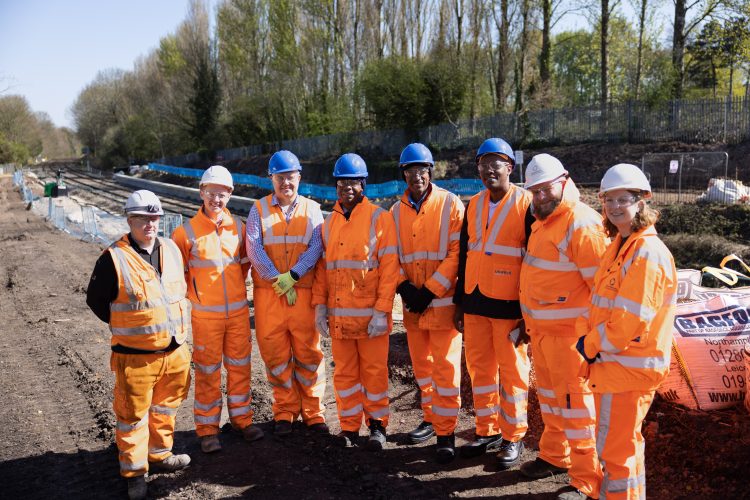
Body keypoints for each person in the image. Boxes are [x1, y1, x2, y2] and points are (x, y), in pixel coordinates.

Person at [576, 164, 677, 499]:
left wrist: (589, 345)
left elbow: (628, 323)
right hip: (617, 366)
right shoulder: (622, 245)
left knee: (618, 452)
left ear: (641, 202)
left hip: (627, 368)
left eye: (623, 199)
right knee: (619, 448)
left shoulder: (646, 252)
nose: (615, 206)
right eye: (609, 200)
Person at [86, 190, 192, 500]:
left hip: (174, 352)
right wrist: (131, 329)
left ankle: (160, 455)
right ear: (129, 219)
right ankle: (134, 473)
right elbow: (96, 302)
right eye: (142, 219)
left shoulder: (171, 248)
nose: (150, 224)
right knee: (132, 418)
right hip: (135, 358)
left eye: (154, 218)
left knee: (165, 409)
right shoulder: (113, 258)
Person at [518, 154, 610, 500]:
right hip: (543, 335)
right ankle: (555, 456)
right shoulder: (544, 221)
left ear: (564, 181)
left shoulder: (582, 224)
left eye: (546, 190)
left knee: (577, 408)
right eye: (534, 192)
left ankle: (588, 480)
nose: (540, 197)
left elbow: (602, 290)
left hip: (572, 340)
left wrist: (594, 340)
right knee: (553, 403)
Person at [453, 138, 534, 467]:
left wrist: (527, 312)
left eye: (496, 163)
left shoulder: (525, 204)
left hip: (508, 306)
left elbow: (534, 261)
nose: (488, 169)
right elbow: (464, 255)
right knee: (480, 370)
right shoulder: (472, 205)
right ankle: (487, 431)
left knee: (513, 372)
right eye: (483, 163)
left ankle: (513, 436)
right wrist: (459, 302)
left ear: (510, 168)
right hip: (475, 301)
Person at [171, 165, 263, 454]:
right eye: (211, 193)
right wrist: (193, 299)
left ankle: (242, 420)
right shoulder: (184, 233)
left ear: (230, 195)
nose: (216, 200)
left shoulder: (239, 227)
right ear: (202, 193)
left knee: (240, 369)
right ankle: (208, 430)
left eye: (222, 194)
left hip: (237, 314)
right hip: (205, 317)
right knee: (208, 372)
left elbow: (247, 264)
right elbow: (178, 274)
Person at [312, 153, 399, 451]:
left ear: (363, 184)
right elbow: (323, 269)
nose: (347, 187)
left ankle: (377, 426)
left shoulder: (379, 218)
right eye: (342, 182)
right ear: (335, 185)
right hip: (339, 319)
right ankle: (349, 427)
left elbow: (389, 270)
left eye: (353, 182)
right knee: (345, 374)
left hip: (371, 319)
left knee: (374, 373)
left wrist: (381, 311)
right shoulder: (328, 224)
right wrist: (320, 308)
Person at [390, 143, 465, 464]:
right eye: (410, 171)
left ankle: (446, 431)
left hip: (442, 305)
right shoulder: (395, 212)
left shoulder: (450, 204)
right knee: (422, 367)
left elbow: (456, 253)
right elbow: (389, 255)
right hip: (413, 307)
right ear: (404, 174)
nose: (416, 176)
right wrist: (405, 288)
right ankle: (430, 417)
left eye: (422, 170)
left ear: (430, 172)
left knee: (445, 369)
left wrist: (430, 290)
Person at [245, 150, 328, 436]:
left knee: (309, 355)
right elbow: (253, 248)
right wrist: (276, 278)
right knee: (276, 356)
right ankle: (285, 411)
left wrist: (292, 276)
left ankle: (314, 413)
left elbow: (316, 246)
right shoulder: (258, 209)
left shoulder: (313, 209)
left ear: (299, 178)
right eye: (280, 178)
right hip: (271, 297)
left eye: (290, 177)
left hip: (302, 294)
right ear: (272, 179)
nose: (285, 183)